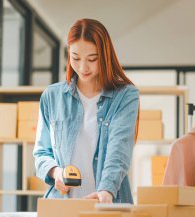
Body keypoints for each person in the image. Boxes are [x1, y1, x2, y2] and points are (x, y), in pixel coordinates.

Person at [33, 18, 139, 203]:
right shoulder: (52, 96)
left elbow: (119, 151)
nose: (83, 67)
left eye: (92, 59)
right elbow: (42, 153)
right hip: (62, 206)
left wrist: (106, 191)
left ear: (105, 56)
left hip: (108, 204)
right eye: (75, 58)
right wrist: (56, 172)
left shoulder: (125, 96)